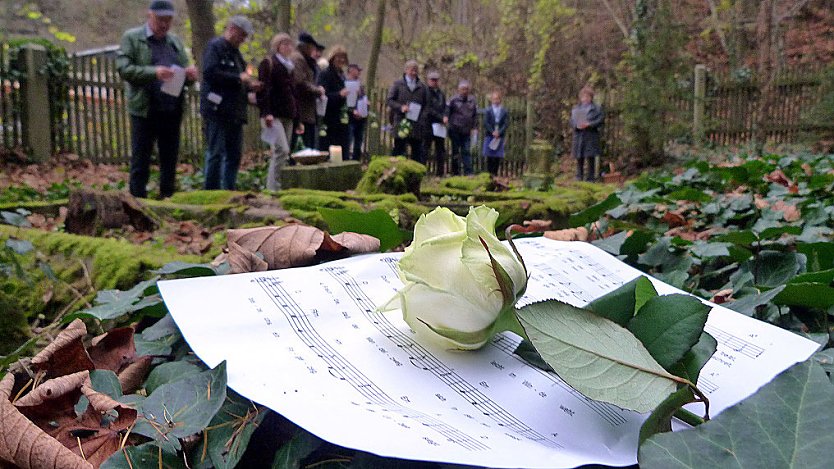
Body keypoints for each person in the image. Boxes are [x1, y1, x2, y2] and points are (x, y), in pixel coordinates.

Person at [116, 0, 198, 199]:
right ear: (149, 16)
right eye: (160, 19)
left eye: (168, 20)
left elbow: (183, 71)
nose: (164, 24)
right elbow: (124, 69)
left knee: (169, 157)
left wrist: (189, 76)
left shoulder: (175, 42)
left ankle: (167, 197)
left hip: (172, 108)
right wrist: (154, 73)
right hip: (145, 108)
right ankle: (137, 201)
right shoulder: (133, 38)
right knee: (141, 157)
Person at [200, 16, 261, 190]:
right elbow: (210, 73)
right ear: (232, 29)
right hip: (217, 109)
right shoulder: (215, 47)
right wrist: (238, 78)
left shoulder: (237, 54)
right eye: (241, 35)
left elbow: (240, 81)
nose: (243, 40)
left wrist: (250, 87)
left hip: (235, 111)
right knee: (216, 152)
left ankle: (229, 188)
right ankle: (211, 190)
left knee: (234, 154)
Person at [256, 33, 298, 191]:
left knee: (283, 153)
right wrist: (266, 112)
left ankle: (276, 186)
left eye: (289, 44)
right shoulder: (269, 63)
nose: (288, 47)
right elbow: (264, 89)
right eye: (284, 44)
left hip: (288, 113)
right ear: (277, 46)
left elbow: (293, 93)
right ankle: (273, 187)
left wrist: (297, 118)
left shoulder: (290, 66)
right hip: (273, 114)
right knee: (282, 149)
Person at [387, 60, 427, 163]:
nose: (414, 73)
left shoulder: (422, 86)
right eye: (412, 70)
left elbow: (426, 105)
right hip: (401, 121)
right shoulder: (397, 84)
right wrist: (401, 107)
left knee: (417, 151)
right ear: (406, 70)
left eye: (416, 70)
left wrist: (422, 117)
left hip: (416, 124)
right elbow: (390, 100)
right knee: (399, 149)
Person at [291, 32, 326, 150]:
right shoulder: (298, 59)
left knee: (310, 143)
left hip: (307, 110)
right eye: (312, 47)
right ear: (306, 46)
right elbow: (300, 82)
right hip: (302, 110)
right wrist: (317, 90)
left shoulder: (304, 59)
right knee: (304, 145)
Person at [317, 46, 350, 158]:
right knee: (329, 149)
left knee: (343, 149)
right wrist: (339, 95)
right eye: (338, 57)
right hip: (329, 120)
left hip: (342, 119)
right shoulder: (325, 74)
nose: (341, 60)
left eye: (343, 58)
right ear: (332, 58)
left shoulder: (343, 76)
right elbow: (322, 96)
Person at [570, 85, 604, 181]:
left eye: (587, 97)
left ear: (591, 97)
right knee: (579, 156)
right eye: (583, 97)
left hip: (591, 135)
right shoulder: (576, 108)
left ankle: (591, 177)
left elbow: (600, 120)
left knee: (590, 157)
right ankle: (579, 176)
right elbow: (572, 121)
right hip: (579, 135)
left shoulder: (597, 109)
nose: (585, 99)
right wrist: (576, 125)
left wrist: (589, 124)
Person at [445, 80, 478, 175]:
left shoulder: (472, 100)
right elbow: (447, 112)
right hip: (455, 129)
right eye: (463, 89)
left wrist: (475, 127)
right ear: (459, 90)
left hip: (466, 130)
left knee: (466, 151)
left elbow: (474, 115)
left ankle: (469, 172)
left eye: (466, 89)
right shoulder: (453, 100)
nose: (465, 91)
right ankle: (455, 172)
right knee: (455, 151)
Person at [423, 70, 447, 176]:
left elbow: (445, 106)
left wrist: (445, 116)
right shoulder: (426, 92)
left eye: (436, 80)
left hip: (440, 126)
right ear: (428, 81)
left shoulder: (441, 93)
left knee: (440, 150)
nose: (434, 82)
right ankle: (423, 170)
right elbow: (428, 108)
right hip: (428, 124)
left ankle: (440, 172)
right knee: (425, 149)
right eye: (432, 80)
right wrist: (441, 117)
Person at [482, 89, 509, 176]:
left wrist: (499, 132)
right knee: (490, 155)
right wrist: (492, 131)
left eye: (497, 99)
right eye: (494, 99)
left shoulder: (504, 111)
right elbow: (486, 123)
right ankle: (489, 174)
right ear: (491, 100)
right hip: (490, 135)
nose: (496, 101)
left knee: (497, 156)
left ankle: (495, 173)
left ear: (500, 100)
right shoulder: (488, 110)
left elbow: (506, 123)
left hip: (499, 136)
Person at [345, 64, 368, 161]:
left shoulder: (360, 85)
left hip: (361, 118)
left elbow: (362, 98)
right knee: (348, 140)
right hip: (350, 117)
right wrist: (352, 110)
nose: (359, 73)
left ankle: (356, 160)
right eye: (357, 70)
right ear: (351, 70)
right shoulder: (345, 83)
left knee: (358, 142)